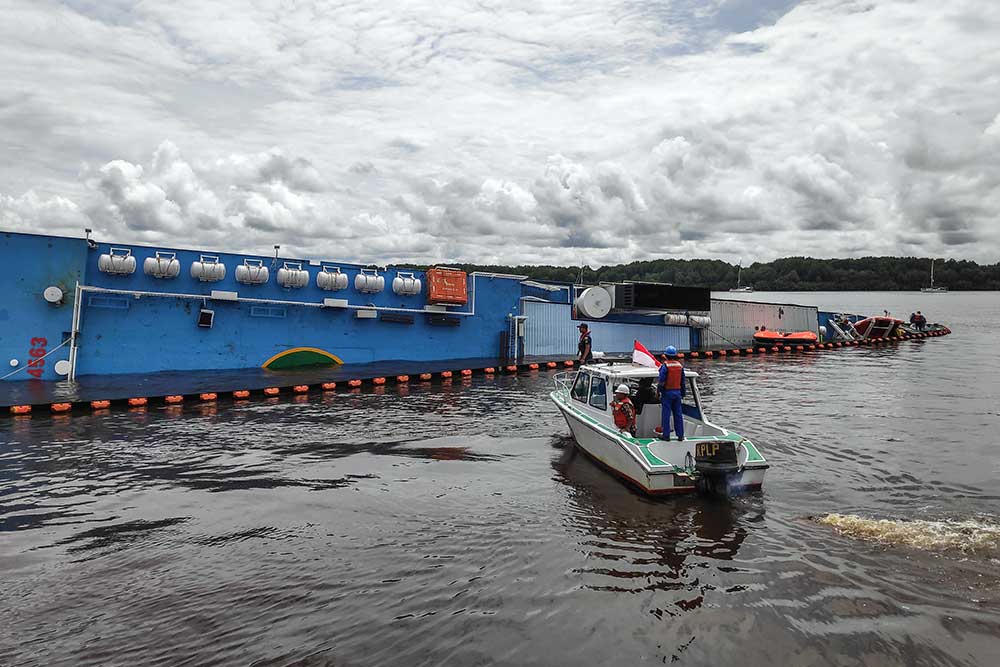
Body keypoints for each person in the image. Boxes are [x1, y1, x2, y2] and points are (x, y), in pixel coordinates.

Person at [658, 345, 685, 441]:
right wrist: (683, 393)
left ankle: (666, 436)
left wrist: (659, 391)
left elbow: (661, 381)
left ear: (665, 355)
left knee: (666, 414)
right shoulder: (680, 366)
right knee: (678, 414)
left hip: (667, 393)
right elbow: (683, 382)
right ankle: (680, 435)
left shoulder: (665, 366)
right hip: (677, 393)